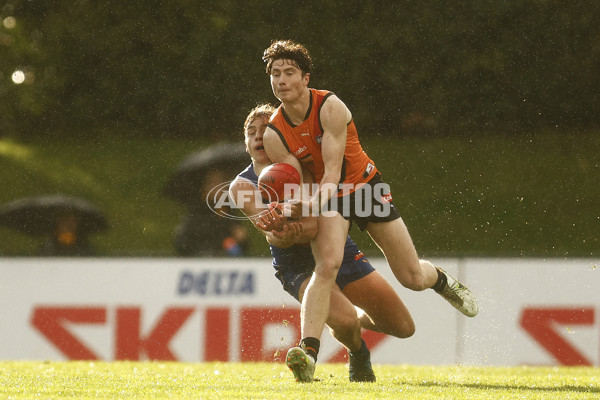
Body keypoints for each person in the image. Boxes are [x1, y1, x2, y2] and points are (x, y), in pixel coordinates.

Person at [259, 40, 479, 382]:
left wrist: (309, 203)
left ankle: (439, 279)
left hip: (365, 188)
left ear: (305, 78)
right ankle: (309, 353)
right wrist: (292, 207)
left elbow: (332, 172)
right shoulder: (275, 133)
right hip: (328, 198)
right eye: (275, 74)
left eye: (289, 73)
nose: (281, 80)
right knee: (327, 264)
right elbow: (296, 181)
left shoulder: (329, 107)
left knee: (411, 277)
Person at [229, 104, 415, 382]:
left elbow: (315, 226)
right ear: (245, 144)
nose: (258, 136)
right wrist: (281, 235)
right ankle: (359, 353)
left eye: (265, 130)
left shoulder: (305, 170)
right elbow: (267, 231)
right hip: (295, 265)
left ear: (277, 137)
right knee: (346, 321)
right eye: (251, 132)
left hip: (335, 250)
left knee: (403, 326)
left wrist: (298, 229)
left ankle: (343, 318)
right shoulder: (242, 186)